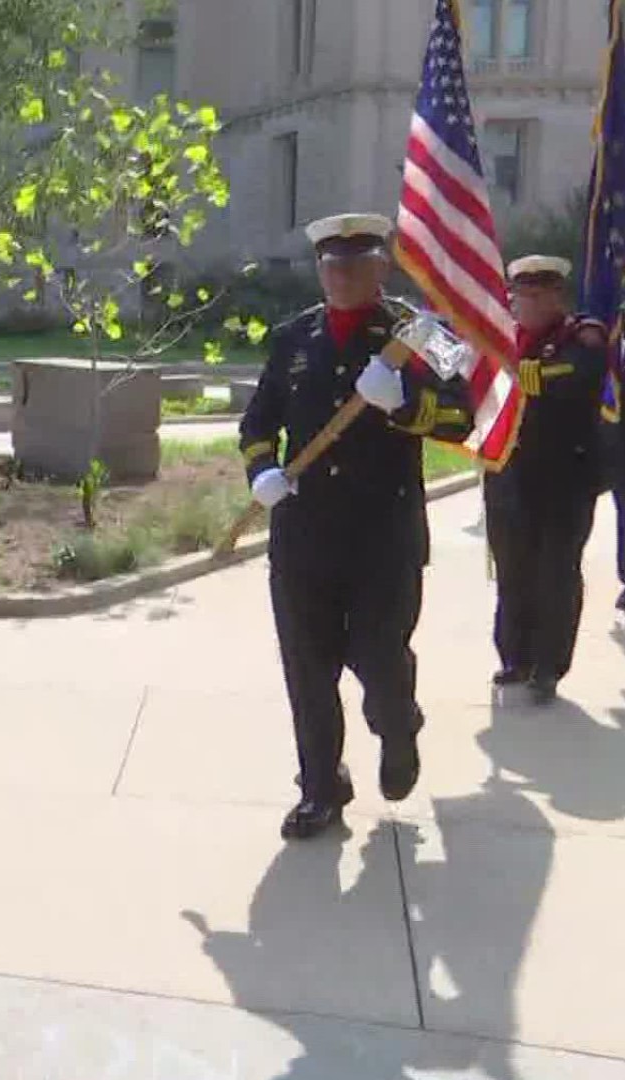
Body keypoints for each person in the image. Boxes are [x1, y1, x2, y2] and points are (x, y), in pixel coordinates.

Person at [238, 213, 476, 841]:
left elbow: (463, 417)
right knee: (308, 669)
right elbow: (256, 422)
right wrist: (262, 472)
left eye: (355, 261)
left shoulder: (423, 335)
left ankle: (398, 728)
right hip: (305, 534)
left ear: (382, 265)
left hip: (383, 536)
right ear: (319, 269)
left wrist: (404, 403)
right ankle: (320, 787)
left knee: (380, 659)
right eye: (330, 263)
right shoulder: (293, 338)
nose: (341, 274)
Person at [485, 256, 608, 703]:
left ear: (558, 296)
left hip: (564, 479)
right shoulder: (501, 340)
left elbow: (575, 376)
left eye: (537, 296)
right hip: (510, 476)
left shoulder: (583, 335)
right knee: (513, 570)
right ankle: (515, 658)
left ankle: (549, 666)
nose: (526, 305)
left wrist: (514, 369)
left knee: (555, 571)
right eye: (520, 296)